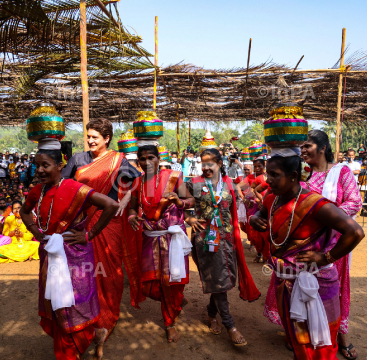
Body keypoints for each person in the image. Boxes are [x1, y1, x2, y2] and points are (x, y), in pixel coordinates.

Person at [249, 153, 365, 359]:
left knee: (320, 345)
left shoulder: (316, 205)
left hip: (316, 286)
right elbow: (262, 212)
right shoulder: (271, 199)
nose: (267, 180)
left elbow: (355, 232)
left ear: (293, 176)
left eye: (274, 175)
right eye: (268, 174)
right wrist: (254, 218)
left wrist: (326, 258)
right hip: (284, 282)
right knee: (298, 340)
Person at [20, 140, 119, 360]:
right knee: (56, 304)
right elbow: (24, 212)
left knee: (74, 304)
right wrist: (35, 231)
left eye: (45, 165)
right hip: (49, 254)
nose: (40, 170)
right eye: (37, 166)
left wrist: (89, 235)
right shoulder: (37, 191)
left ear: (60, 165)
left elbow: (111, 205)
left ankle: (85, 340)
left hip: (75, 256)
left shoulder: (76, 189)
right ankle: (90, 338)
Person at [62, 118, 142, 346]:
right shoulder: (78, 159)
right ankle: (84, 318)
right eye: (88, 136)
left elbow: (137, 182)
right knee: (82, 272)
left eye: (95, 137)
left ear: (107, 139)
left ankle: (105, 320)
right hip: (81, 223)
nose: (90, 140)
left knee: (110, 273)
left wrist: (128, 204)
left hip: (109, 224)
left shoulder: (119, 160)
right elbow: (64, 186)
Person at [185, 148, 260, 346]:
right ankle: (230, 325)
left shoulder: (230, 184)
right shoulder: (194, 183)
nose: (206, 167)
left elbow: (245, 202)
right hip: (205, 240)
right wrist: (188, 217)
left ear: (220, 162)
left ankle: (211, 314)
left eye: (210, 162)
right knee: (219, 279)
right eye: (203, 163)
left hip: (227, 239)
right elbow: (179, 206)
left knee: (223, 279)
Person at [299, 130, 362, 359]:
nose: (303, 150)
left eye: (308, 146)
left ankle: (340, 337)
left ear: (323, 148)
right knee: (304, 289)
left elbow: (355, 202)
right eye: (302, 147)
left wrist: (324, 218)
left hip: (334, 244)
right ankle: (304, 336)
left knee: (333, 292)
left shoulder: (340, 171)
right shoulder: (301, 175)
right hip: (304, 244)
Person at [128, 145, 194, 343]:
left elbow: (191, 200)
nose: (147, 162)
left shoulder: (174, 177)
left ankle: (169, 323)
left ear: (159, 159)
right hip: (150, 237)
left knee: (171, 282)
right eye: (142, 158)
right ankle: (177, 303)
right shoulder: (137, 183)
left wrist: (179, 201)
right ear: (138, 161)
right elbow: (132, 208)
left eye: (151, 158)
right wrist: (132, 216)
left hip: (172, 237)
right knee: (148, 285)